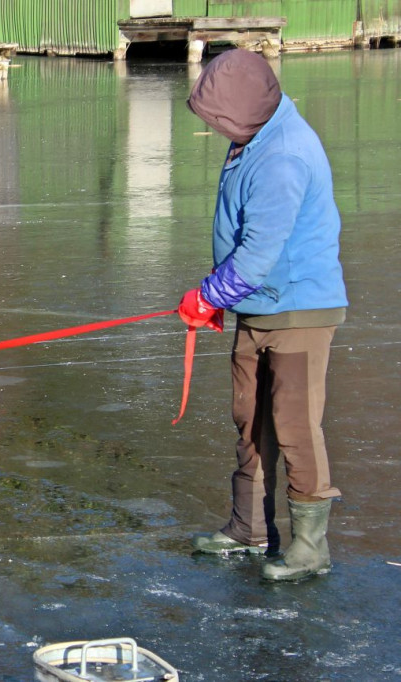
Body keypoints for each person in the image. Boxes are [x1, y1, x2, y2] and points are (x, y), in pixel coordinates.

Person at [177, 50, 347, 581]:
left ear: (244, 109)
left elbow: (256, 255)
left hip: (299, 310)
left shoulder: (282, 157)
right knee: (250, 419)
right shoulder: (254, 135)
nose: (216, 129)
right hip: (257, 306)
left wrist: (208, 297)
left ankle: (310, 548)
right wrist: (222, 297)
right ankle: (249, 529)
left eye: (219, 118)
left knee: (295, 427)